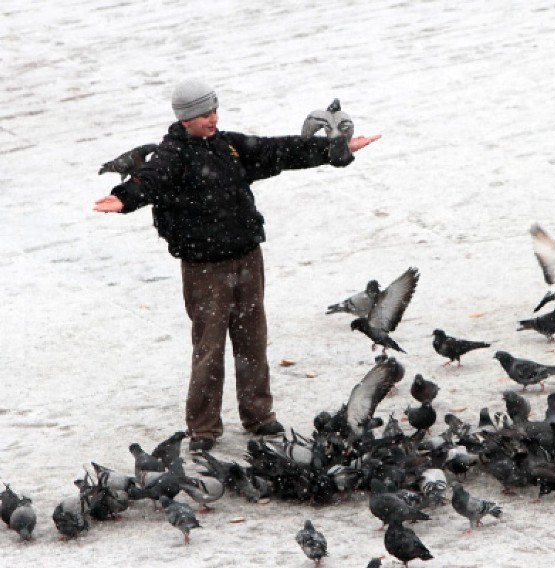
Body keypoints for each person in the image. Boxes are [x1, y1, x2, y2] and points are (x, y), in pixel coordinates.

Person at [94, 79, 381, 451]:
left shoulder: (228, 147)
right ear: (184, 119)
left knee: (252, 341)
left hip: (247, 257)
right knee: (209, 348)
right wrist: (124, 198)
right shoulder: (172, 156)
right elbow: (149, 180)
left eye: (213, 110)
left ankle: (259, 416)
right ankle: (203, 428)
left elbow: (279, 150)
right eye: (202, 114)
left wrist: (333, 148)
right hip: (204, 269)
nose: (212, 118)